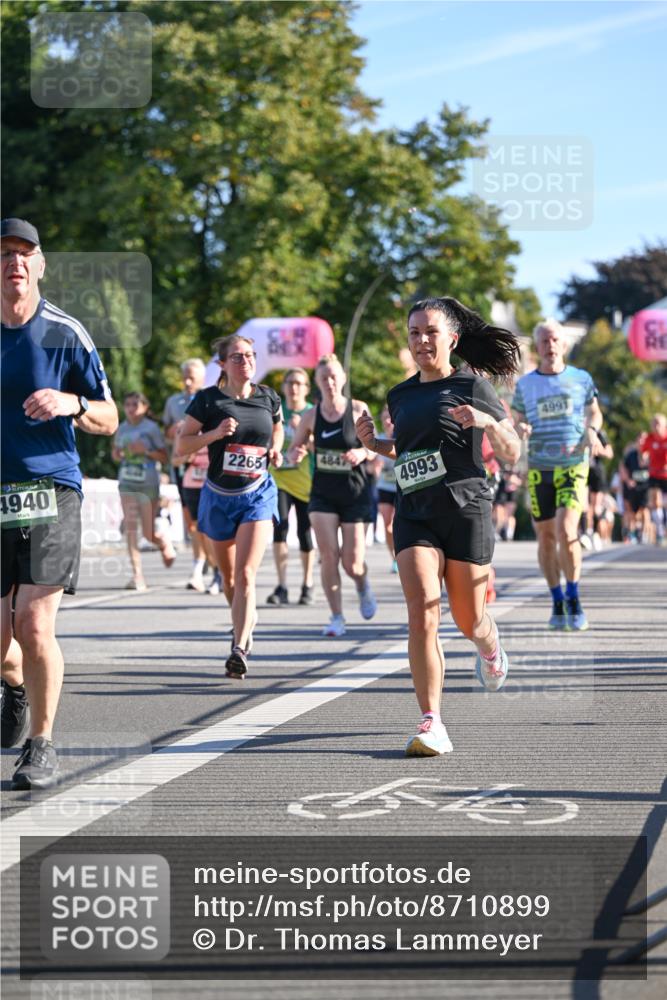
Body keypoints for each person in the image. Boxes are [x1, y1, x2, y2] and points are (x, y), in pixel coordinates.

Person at [356, 297, 521, 756]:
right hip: (414, 513)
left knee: (469, 619)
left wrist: (488, 421)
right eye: (414, 333)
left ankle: (490, 648)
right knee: (423, 608)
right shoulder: (401, 395)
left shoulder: (473, 387)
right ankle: (432, 721)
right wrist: (377, 444)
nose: (422, 340)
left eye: (430, 331)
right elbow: (409, 450)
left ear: (452, 338)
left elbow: (511, 453)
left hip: (466, 510)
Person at [1, 217, 118, 788]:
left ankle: (41, 747)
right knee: (4, 642)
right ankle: (14, 686)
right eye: (4, 254)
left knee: (33, 621)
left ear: (41, 265)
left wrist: (71, 403)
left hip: (51, 492)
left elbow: (109, 417)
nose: (14, 263)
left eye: (25, 254)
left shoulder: (65, 332)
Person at [177, 334, 283, 678]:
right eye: (237, 357)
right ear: (222, 364)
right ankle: (244, 619)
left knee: (246, 574)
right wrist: (215, 434)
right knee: (229, 579)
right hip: (219, 496)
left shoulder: (268, 396)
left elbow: (278, 428)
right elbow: (182, 446)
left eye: (250, 356)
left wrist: (276, 449)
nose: (246, 362)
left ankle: (239, 645)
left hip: (257, 493)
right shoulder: (207, 401)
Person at [511, 319, 603, 631]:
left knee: (566, 530)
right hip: (539, 467)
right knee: (546, 537)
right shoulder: (525, 385)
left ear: (563, 345)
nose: (550, 346)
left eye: (554, 340)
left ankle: (575, 596)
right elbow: (518, 417)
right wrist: (520, 427)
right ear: (537, 347)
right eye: (544, 341)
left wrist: (592, 429)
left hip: (573, 463)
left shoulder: (581, 378)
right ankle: (557, 599)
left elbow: (595, 411)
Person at [287, 354, 377, 637]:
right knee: (328, 555)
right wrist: (297, 451)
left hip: (355, 492)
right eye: (324, 378)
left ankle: (362, 584)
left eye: (334, 377)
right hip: (323, 493)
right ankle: (337, 616)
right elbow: (295, 447)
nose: (329, 382)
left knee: (352, 562)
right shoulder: (311, 416)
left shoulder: (358, 408)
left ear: (343, 378)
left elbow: (376, 446)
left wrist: (362, 452)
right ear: (317, 382)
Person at [112, 392, 176, 590]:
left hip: (148, 483)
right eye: (127, 404)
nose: (131, 408)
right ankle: (137, 575)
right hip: (127, 482)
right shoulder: (121, 428)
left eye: (135, 404)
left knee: (148, 534)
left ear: (145, 407)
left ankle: (162, 542)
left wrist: (145, 451)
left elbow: (165, 458)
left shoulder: (151, 428)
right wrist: (118, 453)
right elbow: (115, 455)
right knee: (131, 528)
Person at [163, 358, 213, 592]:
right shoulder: (173, 402)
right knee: (192, 523)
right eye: (185, 375)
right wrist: (173, 432)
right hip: (183, 465)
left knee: (208, 522)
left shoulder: (211, 399)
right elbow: (167, 433)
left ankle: (213, 567)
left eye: (193, 376)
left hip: (207, 464)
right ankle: (200, 566)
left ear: (202, 378)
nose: (188, 380)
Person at [266, 367, 315, 606]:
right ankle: (282, 585)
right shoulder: (276, 413)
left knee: (305, 534)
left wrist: (305, 434)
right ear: (284, 387)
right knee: (280, 529)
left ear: (306, 388)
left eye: (299, 383)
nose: (294, 387)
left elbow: (324, 448)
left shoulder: (312, 413)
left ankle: (307, 585)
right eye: (290, 383)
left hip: (307, 483)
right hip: (279, 481)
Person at [374, 406, 398, 573]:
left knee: (398, 522)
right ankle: (395, 557)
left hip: (402, 486)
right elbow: (371, 467)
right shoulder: (378, 439)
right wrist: (375, 467)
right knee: (388, 524)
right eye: (384, 419)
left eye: (390, 418)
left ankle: (404, 553)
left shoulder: (403, 438)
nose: (388, 422)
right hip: (385, 486)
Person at [581, 429, 614, 551]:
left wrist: (596, 448)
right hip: (581, 469)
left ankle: (595, 534)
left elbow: (610, 453)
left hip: (596, 472)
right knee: (583, 504)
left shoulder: (599, 433)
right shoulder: (577, 428)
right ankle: (584, 534)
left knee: (595, 507)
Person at [640, 413, 667, 545]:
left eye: (659, 424)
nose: (656, 426)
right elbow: (644, 452)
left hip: (666, 474)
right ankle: (660, 531)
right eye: (654, 423)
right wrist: (644, 458)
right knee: (655, 501)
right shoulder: (649, 438)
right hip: (654, 474)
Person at [619, 435, 651, 543]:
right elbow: (623, 467)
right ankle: (634, 533)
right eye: (640, 440)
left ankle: (644, 534)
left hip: (646, 486)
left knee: (645, 509)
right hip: (634, 487)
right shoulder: (631, 455)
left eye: (644, 440)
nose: (641, 442)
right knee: (633, 512)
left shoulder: (651, 453)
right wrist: (628, 481)